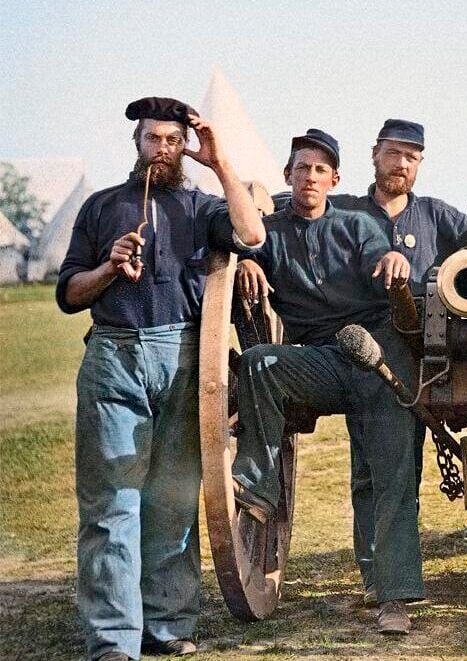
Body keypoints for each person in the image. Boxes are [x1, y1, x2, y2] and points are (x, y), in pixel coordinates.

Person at [56, 97, 265, 661]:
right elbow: (70, 295)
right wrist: (107, 267)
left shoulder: (202, 207)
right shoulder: (101, 207)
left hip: (183, 358)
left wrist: (220, 163)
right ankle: (113, 642)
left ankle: (168, 627)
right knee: (112, 503)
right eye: (154, 139)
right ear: (138, 143)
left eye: (174, 141)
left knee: (172, 502)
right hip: (114, 357)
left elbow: (252, 235)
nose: (163, 150)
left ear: (184, 148)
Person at [231, 128, 424, 636]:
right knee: (256, 363)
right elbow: (239, 241)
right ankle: (259, 487)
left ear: (335, 179)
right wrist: (248, 261)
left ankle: (394, 598)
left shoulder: (359, 224)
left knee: (390, 475)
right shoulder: (269, 232)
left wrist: (393, 259)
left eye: (320, 169)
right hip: (319, 359)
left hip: (379, 354)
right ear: (288, 176)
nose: (310, 176)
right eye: (301, 168)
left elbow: (380, 257)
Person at [329, 119, 467, 602]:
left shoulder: (434, 215)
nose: (401, 164)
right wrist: (251, 255)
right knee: (366, 470)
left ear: (419, 164)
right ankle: (373, 575)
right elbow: (285, 225)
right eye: (393, 153)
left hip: (417, 352)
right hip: (353, 344)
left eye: (411, 156)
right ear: (374, 154)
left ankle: (392, 584)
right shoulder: (343, 211)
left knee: (395, 468)